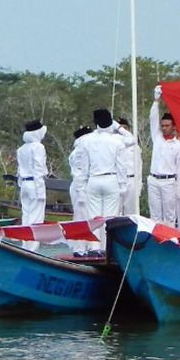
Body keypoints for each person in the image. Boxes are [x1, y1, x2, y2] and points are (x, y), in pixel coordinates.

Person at [80, 109, 128, 252]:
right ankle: (109, 248)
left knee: (94, 217)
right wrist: (123, 185)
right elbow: (122, 165)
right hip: (111, 178)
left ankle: (94, 247)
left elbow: (84, 166)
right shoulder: (117, 140)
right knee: (110, 218)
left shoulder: (87, 140)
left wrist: (82, 185)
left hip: (93, 179)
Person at [148, 85, 180, 226]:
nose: (164, 128)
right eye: (162, 125)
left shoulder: (178, 144)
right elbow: (153, 118)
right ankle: (155, 242)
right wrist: (156, 100)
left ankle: (170, 240)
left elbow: (179, 167)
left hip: (169, 181)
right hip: (154, 179)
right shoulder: (157, 138)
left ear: (173, 126)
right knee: (155, 215)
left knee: (169, 215)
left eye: (167, 125)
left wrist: (178, 186)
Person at [16, 119, 48, 251]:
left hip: (24, 183)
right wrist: (40, 191)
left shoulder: (21, 149)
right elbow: (39, 168)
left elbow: (19, 169)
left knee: (26, 215)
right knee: (36, 217)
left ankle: (25, 246)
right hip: (35, 183)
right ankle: (33, 249)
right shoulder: (38, 147)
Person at [68, 125, 93, 255]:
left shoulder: (84, 150)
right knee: (81, 217)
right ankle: (79, 247)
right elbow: (79, 174)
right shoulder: (78, 152)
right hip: (80, 187)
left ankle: (88, 245)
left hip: (86, 185)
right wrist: (81, 191)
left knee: (88, 216)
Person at [116, 117, 142, 216]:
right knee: (116, 212)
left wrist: (138, 187)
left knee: (130, 213)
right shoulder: (114, 145)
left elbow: (139, 167)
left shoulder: (135, 147)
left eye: (125, 128)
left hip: (131, 180)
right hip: (117, 181)